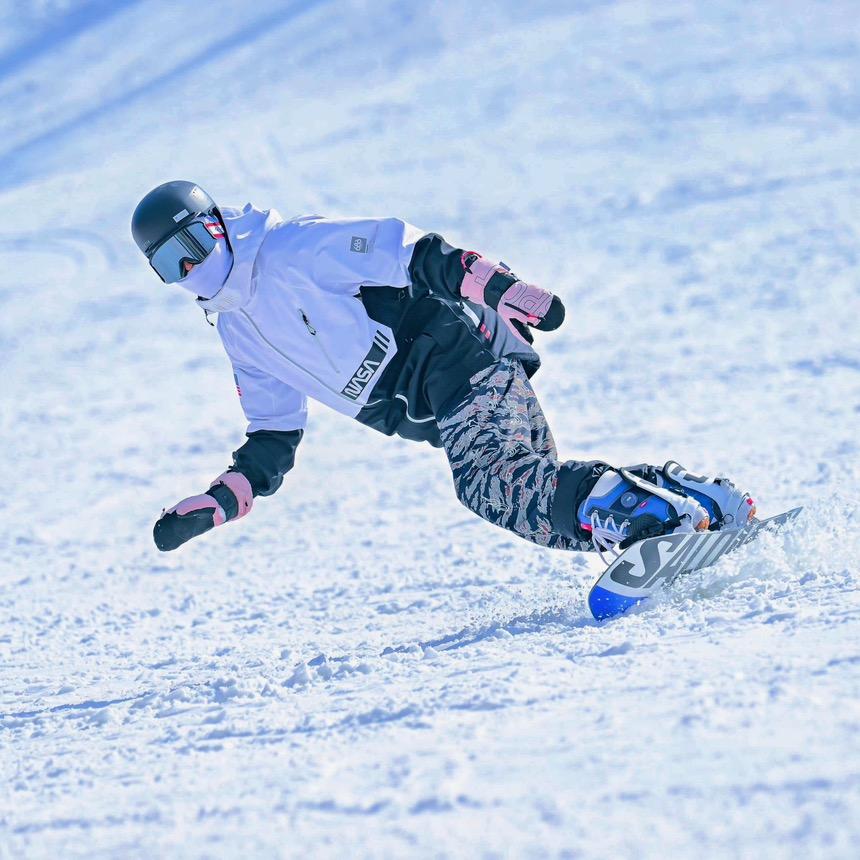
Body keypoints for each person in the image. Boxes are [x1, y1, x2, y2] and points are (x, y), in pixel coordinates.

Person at [131, 181, 755, 558]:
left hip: (457, 352)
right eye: (168, 267)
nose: (189, 273)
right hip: (442, 395)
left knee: (492, 485)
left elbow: (410, 251)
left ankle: (653, 520)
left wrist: (502, 287)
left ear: (215, 226)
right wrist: (222, 501)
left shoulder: (291, 247)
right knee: (532, 495)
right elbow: (273, 436)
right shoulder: (239, 332)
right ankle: (693, 501)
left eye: (191, 250)